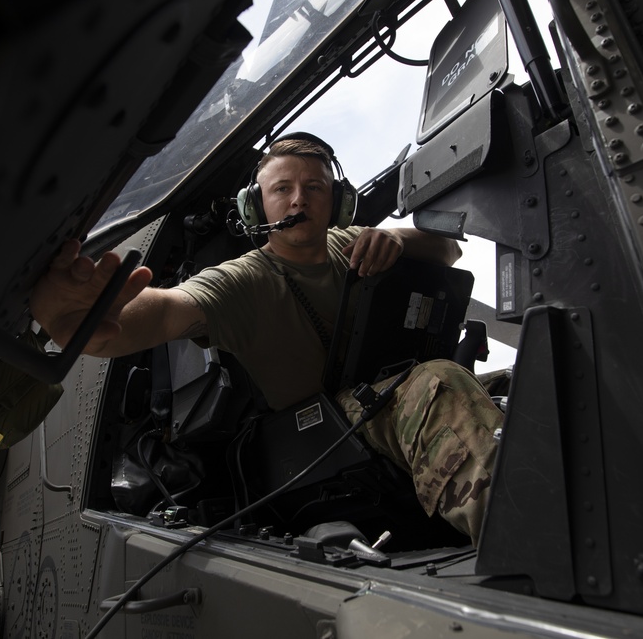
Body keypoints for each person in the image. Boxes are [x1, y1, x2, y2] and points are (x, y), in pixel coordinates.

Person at [30, 134, 504, 546]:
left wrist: (397, 242)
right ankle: (524, 539)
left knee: (512, 384)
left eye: (314, 188)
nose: (299, 200)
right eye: (282, 189)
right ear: (257, 206)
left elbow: (449, 248)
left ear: (337, 203)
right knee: (438, 383)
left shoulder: (349, 240)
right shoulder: (243, 280)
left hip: (382, 402)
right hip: (323, 436)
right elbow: (167, 311)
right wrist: (90, 322)